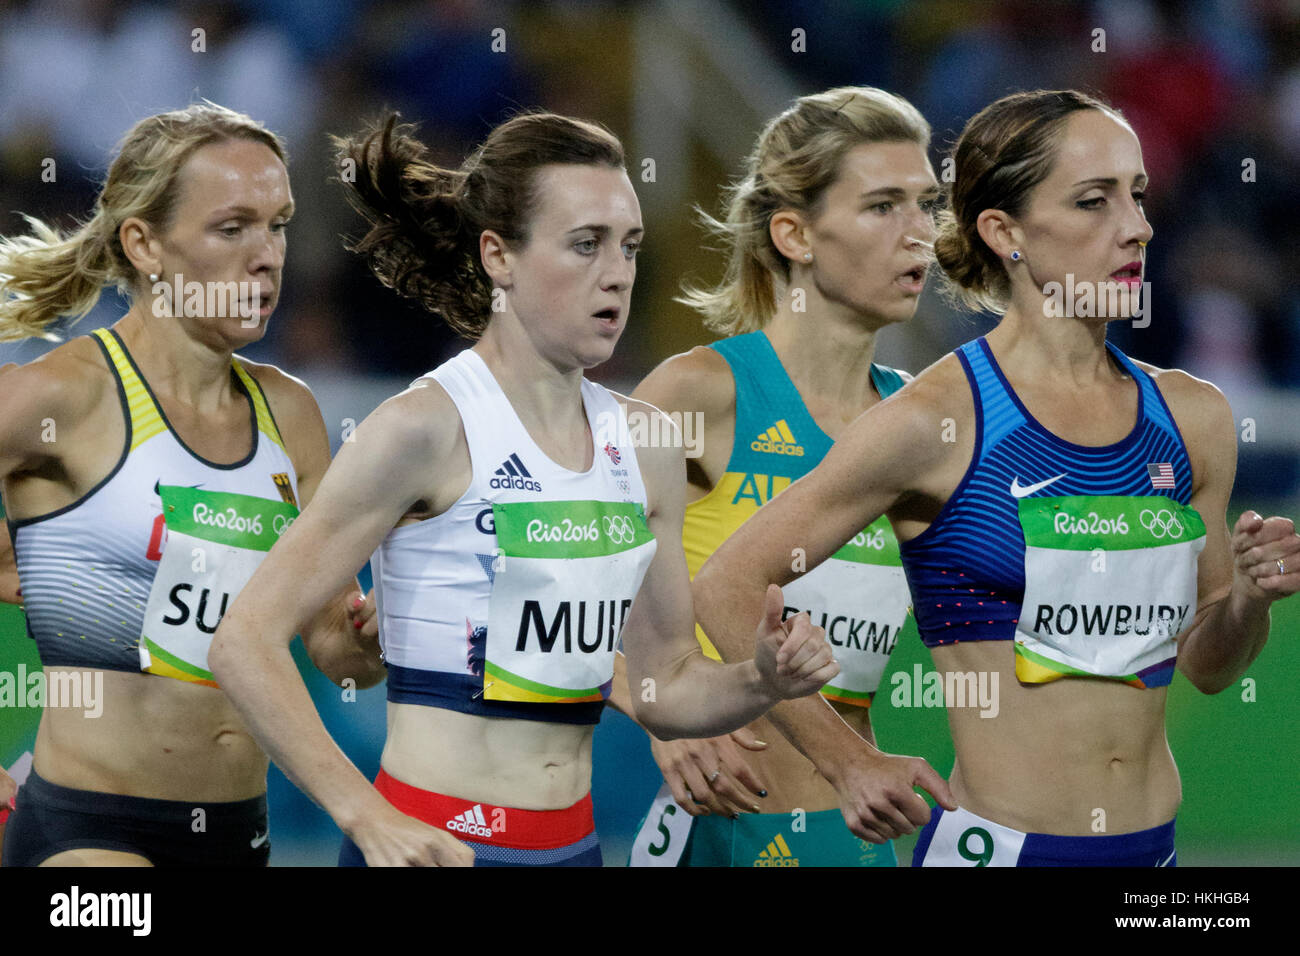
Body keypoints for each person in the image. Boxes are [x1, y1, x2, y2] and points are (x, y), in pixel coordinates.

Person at [208, 111, 837, 868]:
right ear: (499, 256)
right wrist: (366, 815)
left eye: (629, 245)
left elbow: (668, 688)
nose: (617, 272)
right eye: (585, 244)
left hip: (574, 849)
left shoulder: (645, 444)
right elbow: (243, 642)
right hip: (436, 846)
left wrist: (759, 679)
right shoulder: (423, 428)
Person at [692, 89, 1299, 866]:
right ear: (1004, 231)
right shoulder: (935, 421)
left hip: (1156, 859)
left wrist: (1247, 600)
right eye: (1094, 201)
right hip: (1001, 852)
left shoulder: (1194, 417)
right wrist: (846, 761)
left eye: (1138, 196)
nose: (1137, 227)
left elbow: (1210, 667)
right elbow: (726, 584)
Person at [0, 103, 383, 867]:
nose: (268, 256)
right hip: (87, 831)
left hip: (237, 833)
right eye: (231, 228)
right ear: (144, 243)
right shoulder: (59, 397)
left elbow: (339, 656)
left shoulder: (292, 416)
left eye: (277, 226)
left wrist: (376, 636)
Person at [614, 87, 948, 868]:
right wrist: (656, 709)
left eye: (927, 205)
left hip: (860, 836)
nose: (920, 236)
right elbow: (547, 574)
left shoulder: (918, 424)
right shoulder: (699, 394)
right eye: (883, 207)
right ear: (794, 233)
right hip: (721, 834)